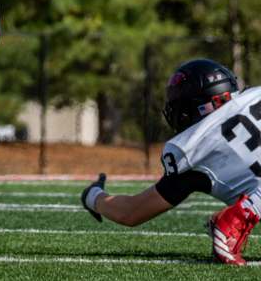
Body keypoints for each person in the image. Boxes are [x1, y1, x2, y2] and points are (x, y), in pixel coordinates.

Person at [81, 58, 261, 266]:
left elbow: (130, 212)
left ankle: (238, 216)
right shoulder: (255, 94)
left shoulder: (192, 146)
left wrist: (93, 197)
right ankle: (235, 218)